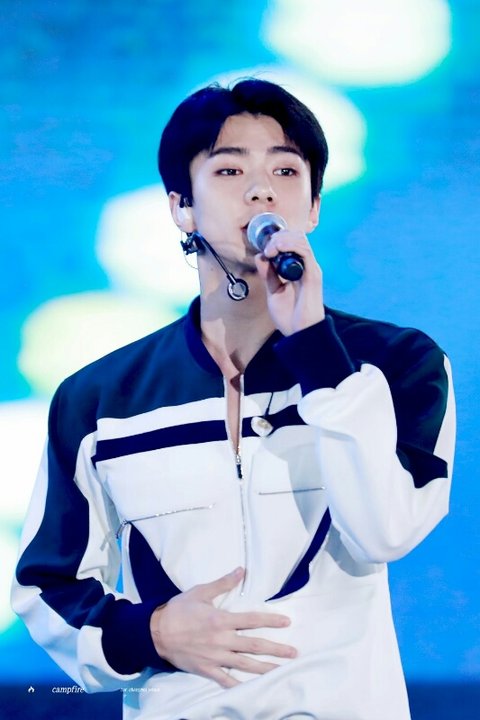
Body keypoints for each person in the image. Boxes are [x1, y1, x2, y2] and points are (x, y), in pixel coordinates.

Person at [12, 78, 455, 720]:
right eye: (229, 170)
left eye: (285, 170)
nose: (261, 190)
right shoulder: (100, 399)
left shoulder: (398, 365)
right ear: (181, 207)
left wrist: (316, 349)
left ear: (313, 206)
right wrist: (149, 633)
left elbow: (387, 529)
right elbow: (47, 584)